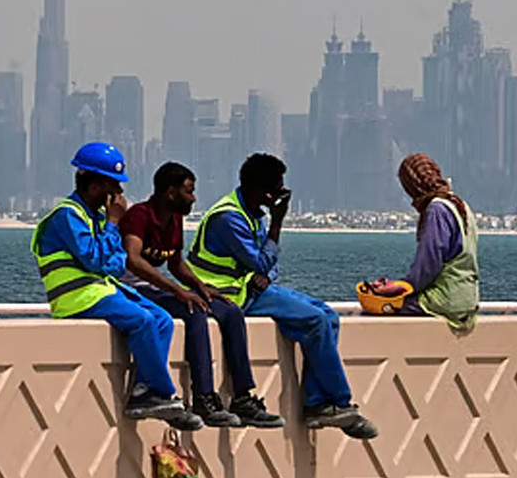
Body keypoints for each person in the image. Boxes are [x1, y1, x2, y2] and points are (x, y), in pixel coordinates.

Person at [187, 153, 377, 439]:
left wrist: (265, 272)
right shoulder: (230, 218)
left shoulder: (252, 213)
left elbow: (267, 266)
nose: (283, 192)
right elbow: (263, 260)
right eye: (278, 186)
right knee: (315, 321)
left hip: (251, 287)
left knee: (327, 316)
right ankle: (339, 400)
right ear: (264, 191)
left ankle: (316, 402)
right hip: (231, 297)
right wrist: (277, 223)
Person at [32, 142, 203, 430]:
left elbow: (116, 262)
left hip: (102, 289)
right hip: (77, 297)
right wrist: (113, 224)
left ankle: (142, 392)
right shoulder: (68, 216)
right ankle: (164, 393)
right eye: (114, 186)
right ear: (96, 185)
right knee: (142, 320)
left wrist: (109, 229)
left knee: (163, 320)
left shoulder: (97, 219)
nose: (120, 195)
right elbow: (96, 259)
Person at [119, 162, 282, 428]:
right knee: (194, 312)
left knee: (230, 312)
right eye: (189, 192)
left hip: (157, 287)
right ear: (170, 192)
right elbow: (133, 261)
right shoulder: (140, 215)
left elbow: (176, 264)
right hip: (133, 289)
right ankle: (203, 397)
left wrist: (200, 287)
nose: (194, 198)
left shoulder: (174, 219)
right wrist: (178, 292)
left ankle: (242, 396)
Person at [367, 154, 479, 333]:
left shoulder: (437, 210)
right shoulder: (460, 206)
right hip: (466, 300)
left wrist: (399, 288)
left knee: (381, 310)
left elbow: (428, 266)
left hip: (444, 301)